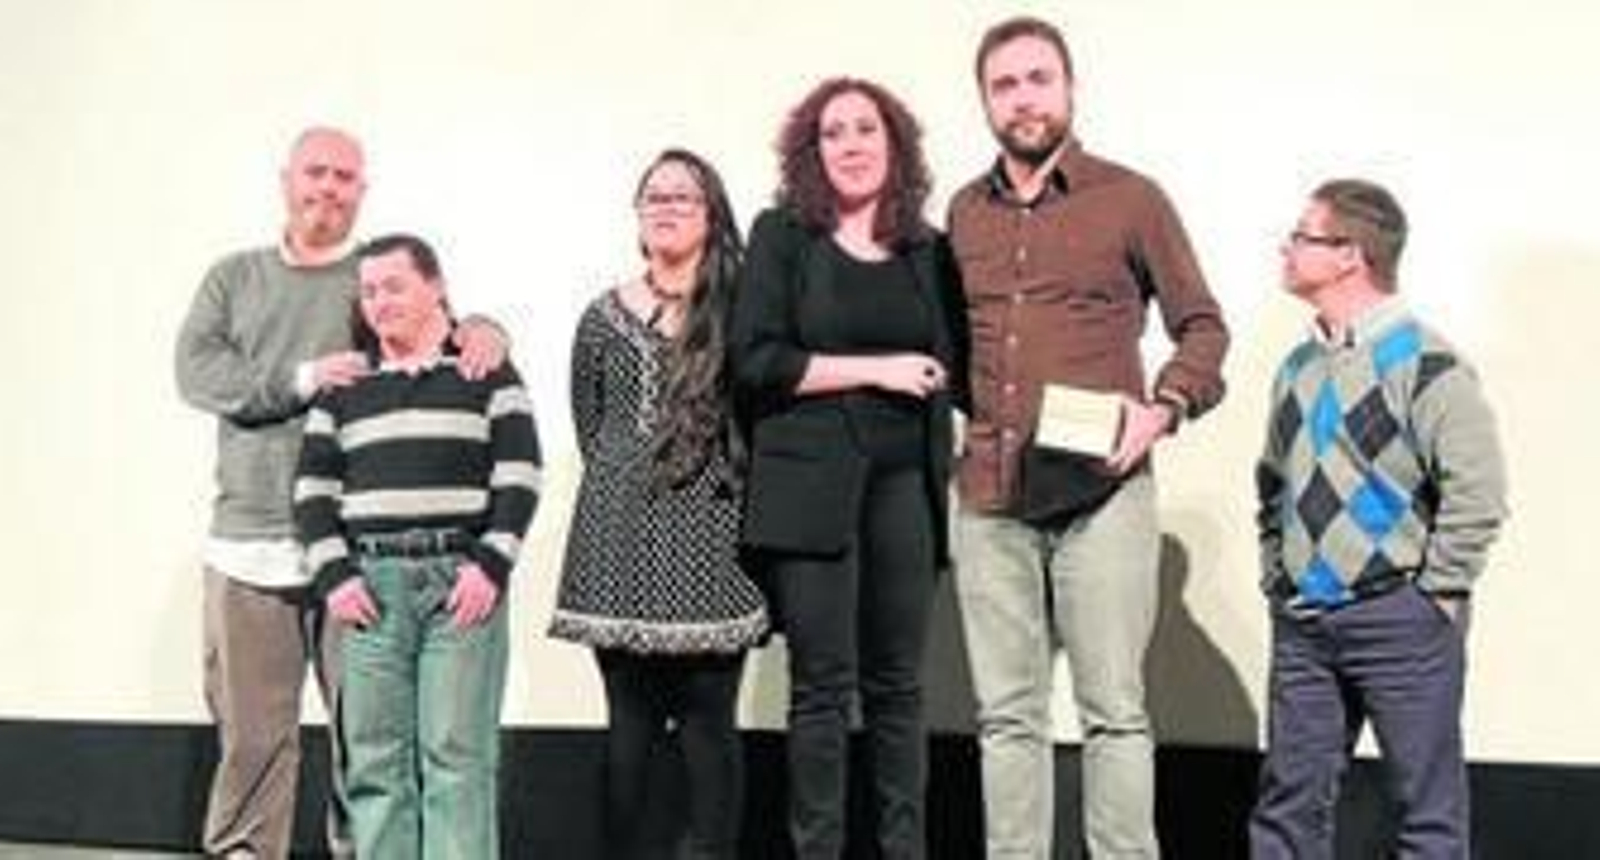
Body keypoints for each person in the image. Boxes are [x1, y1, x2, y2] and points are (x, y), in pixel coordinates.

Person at [174, 126, 506, 860]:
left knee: (371, 739)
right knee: (253, 736)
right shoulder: (234, 278)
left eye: (345, 177)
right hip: (249, 543)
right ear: (286, 179)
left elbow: (446, 334)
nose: (328, 187)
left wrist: (490, 328)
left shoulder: (373, 280)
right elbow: (196, 372)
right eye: (316, 172)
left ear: (362, 191)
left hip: (360, 556)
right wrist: (302, 378)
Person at [946, 17, 1231, 859]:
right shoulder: (963, 213)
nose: (1023, 99)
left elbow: (1203, 327)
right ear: (985, 101)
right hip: (990, 497)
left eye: (1039, 79)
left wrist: (1163, 408)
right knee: (1007, 718)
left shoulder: (1131, 199)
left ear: (1069, 89)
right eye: (1005, 85)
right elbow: (953, 348)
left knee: (1113, 712)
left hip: (1102, 495)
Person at [729, 77, 968, 860]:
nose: (852, 145)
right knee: (822, 687)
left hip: (906, 486)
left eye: (867, 129)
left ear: (895, 145)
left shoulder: (928, 249)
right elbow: (756, 361)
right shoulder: (782, 235)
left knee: (899, 687)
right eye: (833, 133)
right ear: (811, 151)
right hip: (810, 489)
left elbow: (961, 365)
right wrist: (876, 370)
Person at [1249, 179, 1507, 859]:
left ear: (1349, 255)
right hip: (1305, 621)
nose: (1286, 248)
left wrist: (1437, 593)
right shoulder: (1297, 367)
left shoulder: (1426, 363)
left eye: (1302, 236)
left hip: (1398, 617)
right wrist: (1279, 577)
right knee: (1289, 805)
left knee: (1426, 813)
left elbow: (1478, 491)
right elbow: (1273, 482)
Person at [292, 233, 542, 859]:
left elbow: (519, 475)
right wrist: (336, 577)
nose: (380, 301)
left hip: (461, 584)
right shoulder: (343, 387)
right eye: (369, 291)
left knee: (457, 755)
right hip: (371, 588)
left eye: (394, 286)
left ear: (436, 288)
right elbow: (313, 491)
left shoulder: (485, 371)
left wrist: (491, 566)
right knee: (375, 762)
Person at [549, 149, 768, 860]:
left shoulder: (742, 309)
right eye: (654, 196)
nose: (666, 207)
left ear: (713, 215)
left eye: (684, 196)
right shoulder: (602, 317)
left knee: (709, 724)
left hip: (714, 538)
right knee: (630, 724)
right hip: (619, 541)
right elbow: (592, 424)